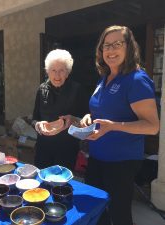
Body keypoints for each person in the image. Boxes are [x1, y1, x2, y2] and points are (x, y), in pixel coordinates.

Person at [76, 25, 159, 225]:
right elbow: (103, 111)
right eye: (106, 46)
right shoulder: (105, 78)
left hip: (121, 161)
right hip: (97, 157)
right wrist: (89, 116)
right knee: (96, 210)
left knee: (119, 214)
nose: (111, 50)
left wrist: (114, 126)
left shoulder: (136, 79)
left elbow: (152, 126)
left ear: (129, 48)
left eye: (117, 44)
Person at [32, 49, 88, 170]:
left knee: (61, 185)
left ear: (68, 72)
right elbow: (34, 119)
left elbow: (86, 120)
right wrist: (38, 125)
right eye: (53, 70)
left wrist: (73, 120)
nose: (57, 75)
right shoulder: (41, 89)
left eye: (61, 70)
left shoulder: (77, 90)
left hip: (67, 149)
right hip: (43, 148)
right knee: (42, 183)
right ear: (47, 71)